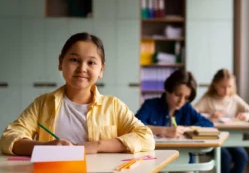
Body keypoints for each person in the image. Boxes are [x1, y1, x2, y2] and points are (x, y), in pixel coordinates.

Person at [1, 32, 155, 156]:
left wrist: (96, 146)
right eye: (74, 60)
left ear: (101, 70)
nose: (82, 68)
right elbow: (8, 138)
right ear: (61, 62)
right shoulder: (43, 103)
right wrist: (45, 148)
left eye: (91, 63)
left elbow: (147, 138)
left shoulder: (113, 106)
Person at [135, 68, 213, 164]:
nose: (181, 101)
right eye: (177, 95)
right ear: (167, 90)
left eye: (186, 97)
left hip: (184, 160)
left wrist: (186, 129)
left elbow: (208, 124)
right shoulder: (150, 105)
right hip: (155, 160)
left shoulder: (187, 108)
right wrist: (163, 130)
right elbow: (134, 126)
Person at [194, 68, 249, 173]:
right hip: (214, 140)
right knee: (225, 157)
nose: (226, 91)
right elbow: (192, 114)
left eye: (230, 87)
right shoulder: (207, 99)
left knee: (242, 156)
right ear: (215, 85)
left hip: (232, 139)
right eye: (222, 87)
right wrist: (209, 115)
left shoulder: (234, 99)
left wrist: (246, 115)